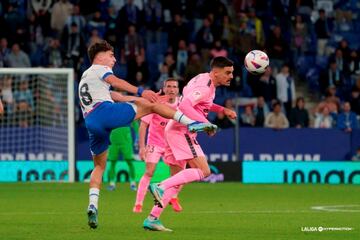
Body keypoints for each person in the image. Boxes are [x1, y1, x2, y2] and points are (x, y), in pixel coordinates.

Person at [80, 40, 216, 229]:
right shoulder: (98, 69)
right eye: (111, 55)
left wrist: (138, 98)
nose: (114, 59)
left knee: (99, 166)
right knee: (153, 107)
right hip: (104, 113)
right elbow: (116, 82)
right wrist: (142, 91)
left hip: (91, 122)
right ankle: (191, 123)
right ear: (99, 56)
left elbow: (115, 95)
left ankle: (93, 206)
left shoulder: (86, 77)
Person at [143, 56, 237, 231]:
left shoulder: (203, 79)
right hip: (181, 131)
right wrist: (205, 123)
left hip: (173, 129)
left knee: (177, 181)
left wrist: (222, 109)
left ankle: (152, 219)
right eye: (228, 73)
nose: (231, 76)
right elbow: (185, 105)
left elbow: (200, 102)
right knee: (205, 171)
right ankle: (160, 186)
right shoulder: (205, 87)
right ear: (216, 72)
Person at [134, 78, 182, 214]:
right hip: (155, 142)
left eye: (174, 87)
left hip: (172, 145)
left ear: (178, 90)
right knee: (149, 172)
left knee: (178, 173)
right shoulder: (156, 103)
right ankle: (138, 203)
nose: (171, 89)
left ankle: (174, 197)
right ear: (164, 88)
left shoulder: (182, 104)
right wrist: (142, 147)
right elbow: (143, 125)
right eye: (169, 87)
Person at [106, 120, 139, 192]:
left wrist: (137, 137)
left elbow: (135, 124)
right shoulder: (110, 112)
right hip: (113, 141)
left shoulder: (128, 111)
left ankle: (133, 183)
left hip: (126, 141)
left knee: (129, 161)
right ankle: (112, 183)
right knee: (112, 162)